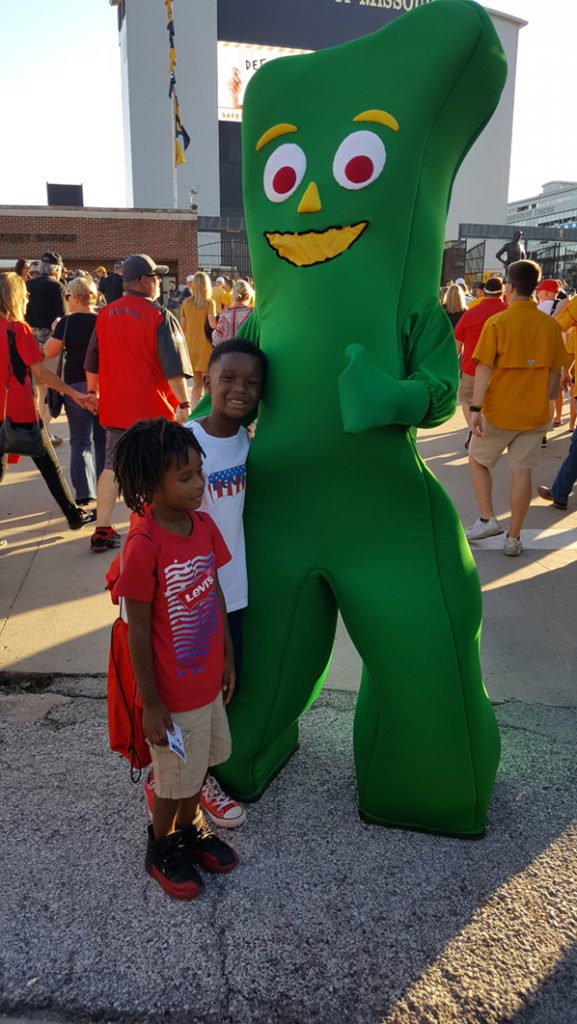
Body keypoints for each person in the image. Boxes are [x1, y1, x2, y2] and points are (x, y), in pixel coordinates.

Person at [112, 418, 239, 899]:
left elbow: (216, 597)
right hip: (171, 695)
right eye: (184, 478)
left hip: (207, 684)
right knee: (171, 780)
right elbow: (137, 632)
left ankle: (191, 830)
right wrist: (151, 703)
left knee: (200, 767)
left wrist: (227, 656)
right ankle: (160, 844)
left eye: (198, 473)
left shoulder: (203, 526)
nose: (198, 485)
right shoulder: (143, 545)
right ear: (151, 483)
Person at [84, 253, 193, 552]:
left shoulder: (105, 314)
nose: (159, 282)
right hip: (152, 412)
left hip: (116, 409)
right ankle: (151, 531)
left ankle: (102, 529)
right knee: (155, 469)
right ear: (144, 281)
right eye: (156, 277)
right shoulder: (159, 316)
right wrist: (184, 404)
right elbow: (173, 369)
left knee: (111, 466)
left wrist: (93, 393)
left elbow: (92, 361)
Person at [465, 260, 567, 556]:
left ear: (509, 287)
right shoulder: (549, 325)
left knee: (478, 459)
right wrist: (547, 400)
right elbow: (556, 371)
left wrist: (475, 408)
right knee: (522, 472)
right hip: (535, 414)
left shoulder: (498, 323)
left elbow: (483, 369)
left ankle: (486, 519)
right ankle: (513, 538)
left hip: (499, 411)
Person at [0, 272, 96, 533]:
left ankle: (74, 513)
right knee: (50, 466)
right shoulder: (18, 329)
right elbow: (41, 372)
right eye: (25, 293)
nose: (29, 297)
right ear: (15, 296)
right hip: (20, 412)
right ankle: (73, 515)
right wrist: (74, 393)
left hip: (3, 411)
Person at [44, 275, 105, 504]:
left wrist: (54, 330)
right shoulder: (102, 320)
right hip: (102, 386)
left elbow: (50, 351)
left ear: (76, 297)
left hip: (75, 385)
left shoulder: (66, 323)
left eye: (68, 296)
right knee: (101, 439)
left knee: (80, 440)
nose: (67, 300)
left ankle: (84, 492)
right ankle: (104, 486)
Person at [454, 277, 507, 441]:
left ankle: (473, 427)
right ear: (503, 291)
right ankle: (486, 429)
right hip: (500, 368)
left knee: (466, 399)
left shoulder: (471, 312)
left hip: (472, 366)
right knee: (493, 402)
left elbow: (457, 342)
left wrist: (454, 365)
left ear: (483, 292)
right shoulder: (508, 311)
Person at [25, 251, 67, 444]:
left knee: (34, 388)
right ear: (57, 270)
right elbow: (62, 319)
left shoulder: (27, 285)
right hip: (50, 342)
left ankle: (34, 431)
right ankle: (43, 431)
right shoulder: (57, 287)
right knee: (51, 387)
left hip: (26, 340)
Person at [180, 271, 217, 409]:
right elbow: (213, 324)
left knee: (196, 385)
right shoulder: (209, 303)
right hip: (206, 347)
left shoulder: (185, 303)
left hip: (191, 347)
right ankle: (207, 411)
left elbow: (182, 328)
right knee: (209, 383)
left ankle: (194, 411)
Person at [211, 279, 253, 345]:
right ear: (247, 296)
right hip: (247, 353)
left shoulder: (225, 314)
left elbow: (217, 338)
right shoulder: (252, 314)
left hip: (229, 353)